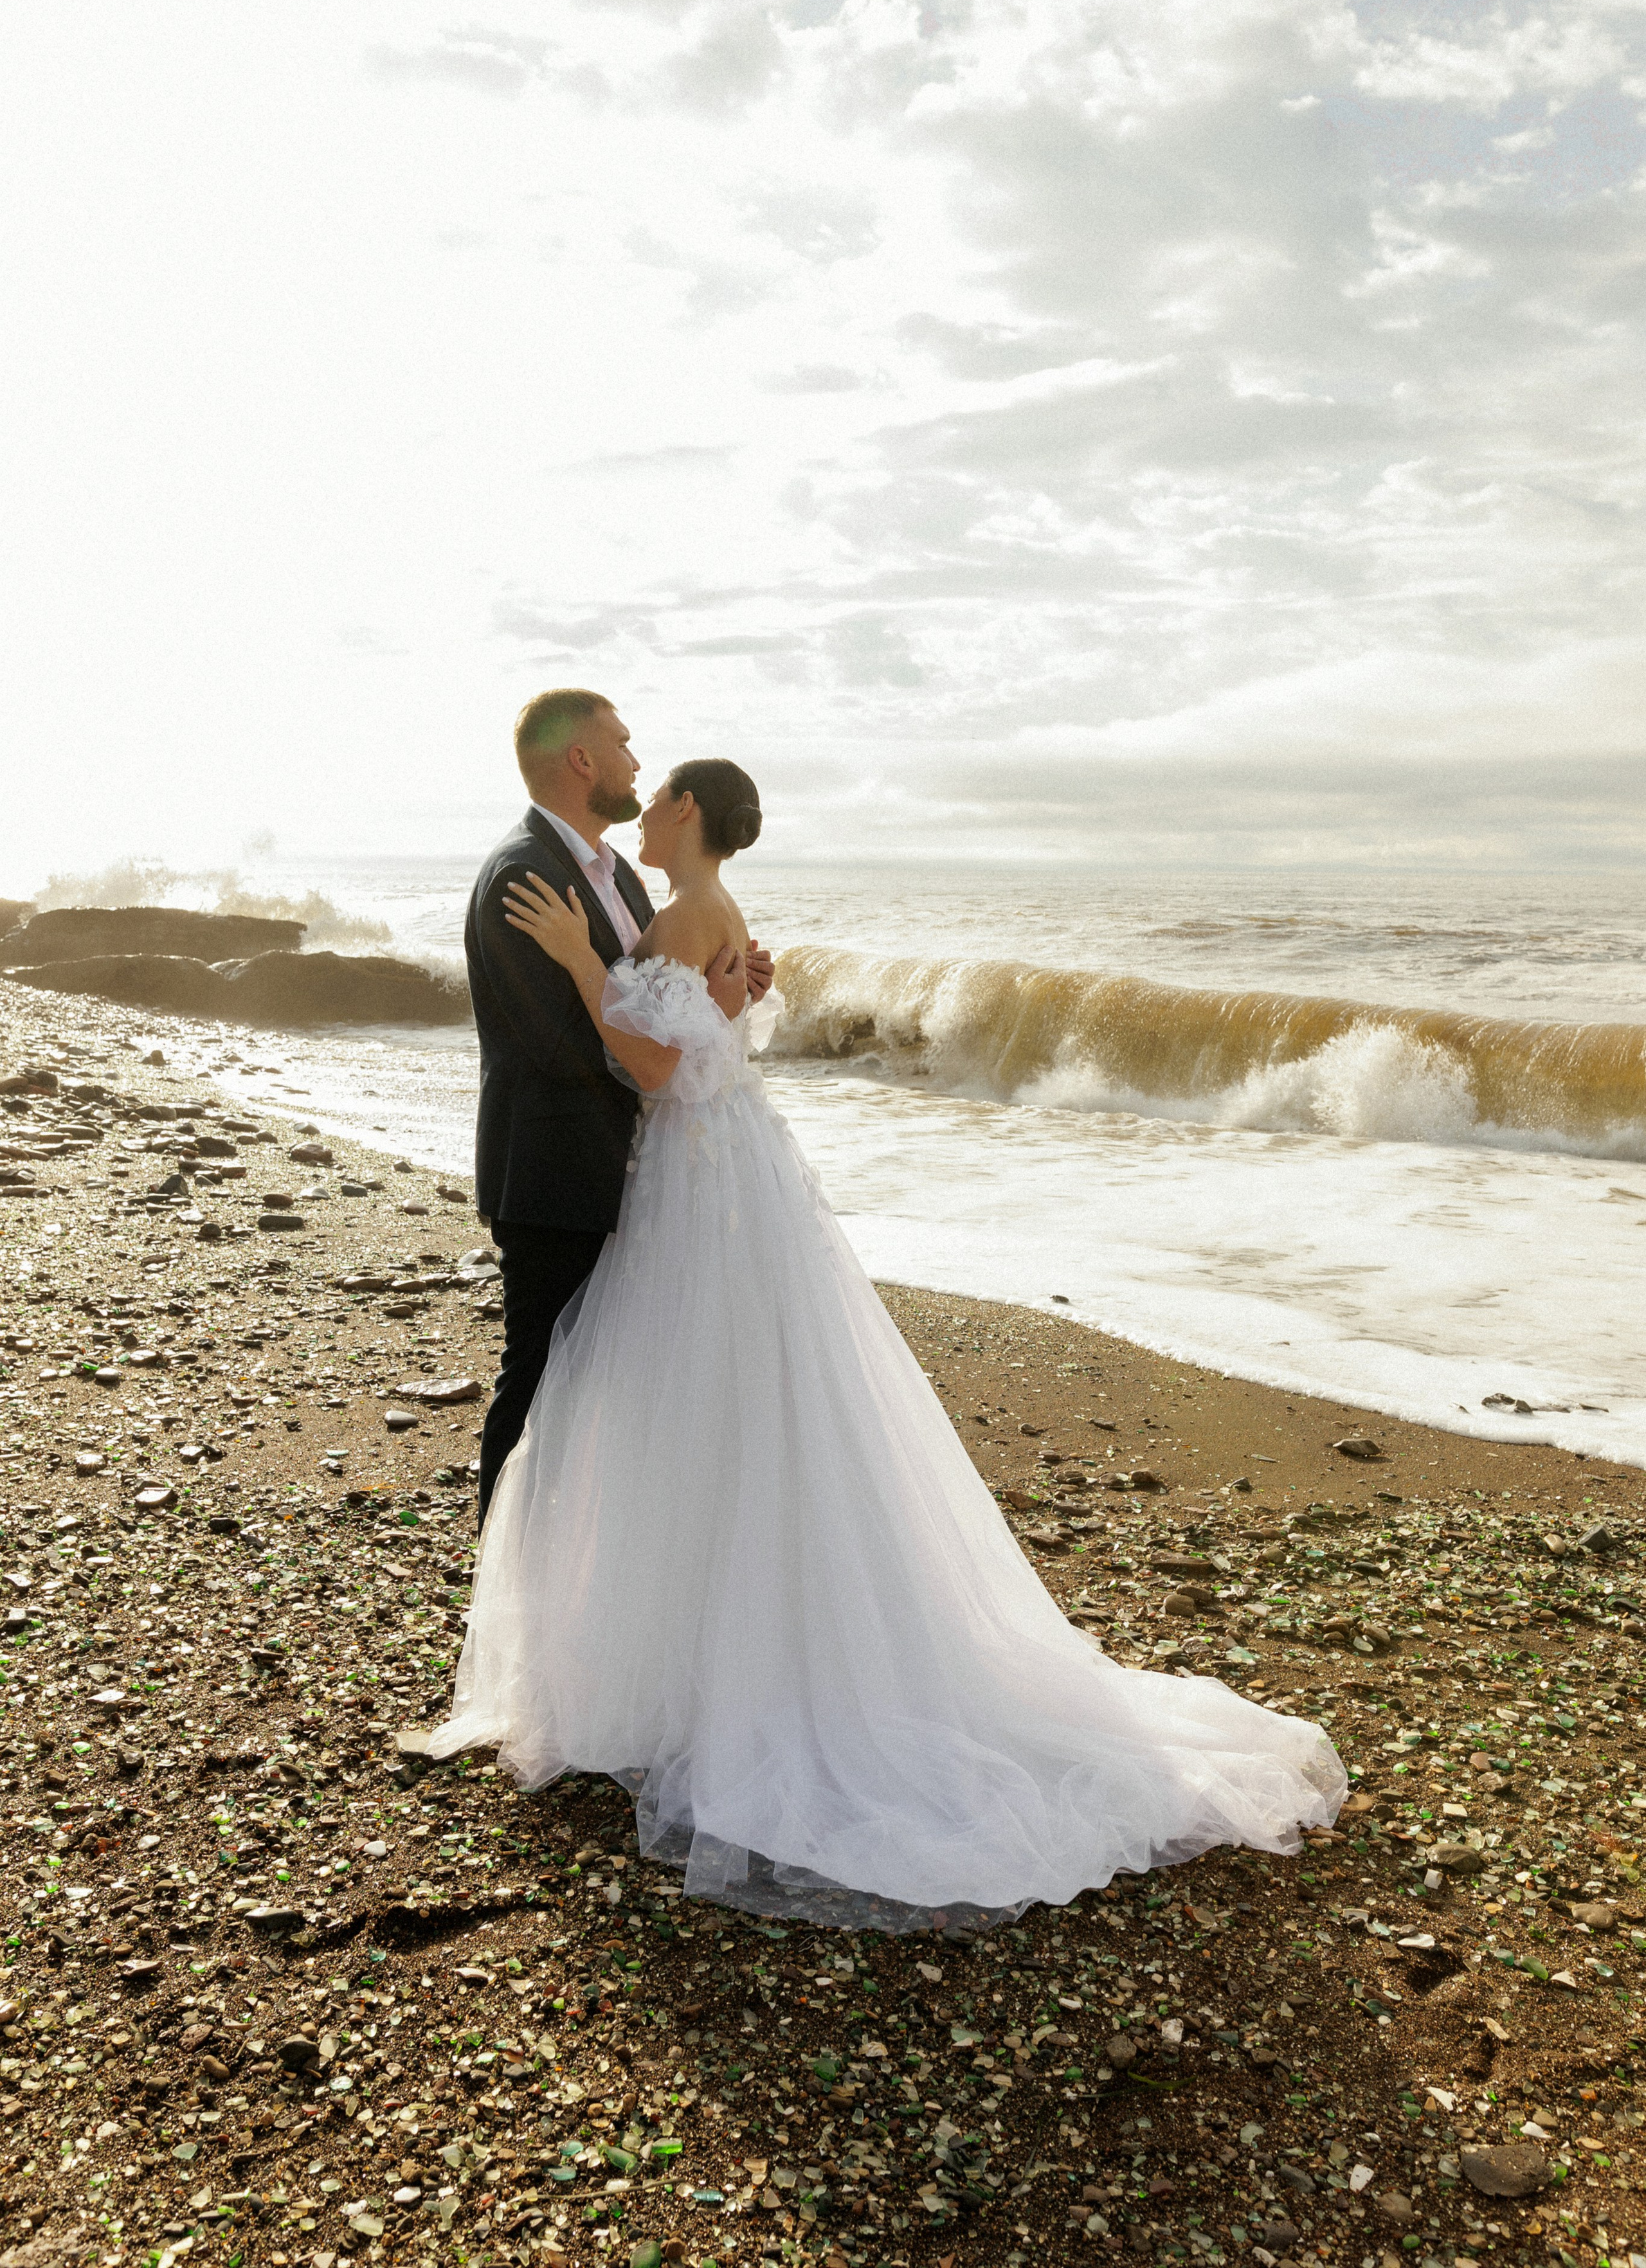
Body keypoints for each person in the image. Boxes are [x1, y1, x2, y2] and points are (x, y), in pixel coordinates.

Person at [431, 751, 1345, 1931]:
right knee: (730, 1407)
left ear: (693, 815)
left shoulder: (684, 909)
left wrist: (578, 963)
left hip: (695, 1180)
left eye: (663, 796)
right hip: (723, 1181)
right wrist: (699, 987)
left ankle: (703, 1663)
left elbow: (661, 1069)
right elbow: (707, 1022)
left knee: (695, 1404)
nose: (647, 799)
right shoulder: (696, 910)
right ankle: (699, 1648)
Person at [466, 689, 772, 1525]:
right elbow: (555, 1044)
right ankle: (505, 1586)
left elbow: (662, 1004)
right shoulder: (523, 876)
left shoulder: (627, 879)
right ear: (582, 759)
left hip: (630, 1172)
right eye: (625, 744)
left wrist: (723, 996)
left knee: (610, 1391)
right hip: (557, 1171)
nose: (637, 761)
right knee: (537, 1383)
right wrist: (692, 1032)